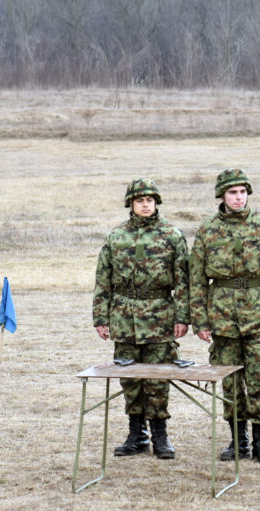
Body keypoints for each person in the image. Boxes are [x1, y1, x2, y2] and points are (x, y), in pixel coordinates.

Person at [190, 168, 260, 465]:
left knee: (259, 379)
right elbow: (196, 279)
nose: (238, 197)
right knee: (230, 381)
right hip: (221, 314)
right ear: (221, 195)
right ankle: (237, 441)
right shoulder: (208, 230)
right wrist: (200, 320)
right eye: (232, 193)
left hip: (257, 313)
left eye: (242, 192)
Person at [93, 178, 188, 460]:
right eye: (139, 201)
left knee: (158, 378)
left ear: (156, 203)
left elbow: (184, 281)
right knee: (130, 378)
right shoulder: (116, 237)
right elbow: (103, 280)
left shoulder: (172, 235)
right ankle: (136, 435)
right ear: (130, 204)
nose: (145, 205)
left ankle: (160, 436)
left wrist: (183, 317)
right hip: (124, 316)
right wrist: (101, 317)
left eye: (150, 200)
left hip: (160, 314)